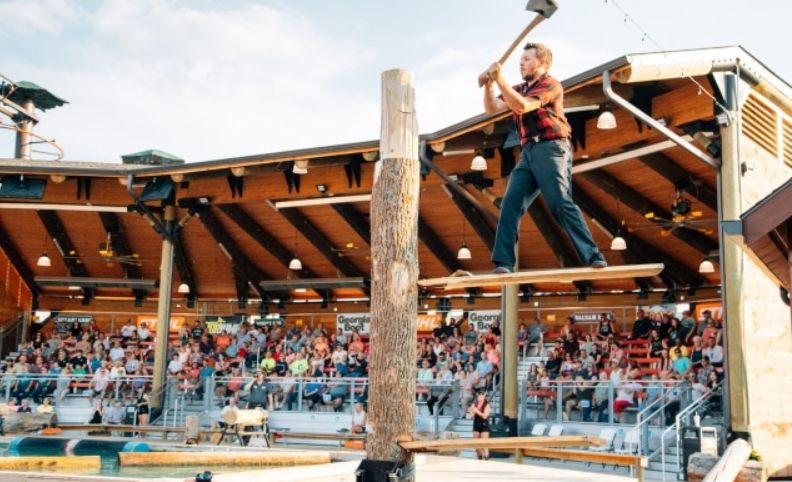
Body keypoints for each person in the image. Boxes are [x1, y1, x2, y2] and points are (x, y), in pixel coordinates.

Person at [482, 43, 606, 274]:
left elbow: (522, 107)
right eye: (521, 59)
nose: (521, 63)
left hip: (552, 148)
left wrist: (499, 79)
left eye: (527, 59)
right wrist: (489, 85)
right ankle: (504, 262)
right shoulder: (517, 88)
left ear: (542, 63)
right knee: (510, 204)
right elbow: (491, 108)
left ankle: (593, 255)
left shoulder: (551, 84)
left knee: (559, 202)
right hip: (528, 151)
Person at [470, 390, 491, 460]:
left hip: (484, 424)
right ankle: (479, 457)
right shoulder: (474, 405)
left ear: (484, 397)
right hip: (476, 424)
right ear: (477, 397)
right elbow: (471, 417)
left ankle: (486, 457)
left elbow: (485, 416)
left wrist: (477, 411)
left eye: (482, 395)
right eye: (479, 396)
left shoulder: (487, 405)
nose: (480, 397)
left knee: (485, 443)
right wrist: (473, 412)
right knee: (477, 444)